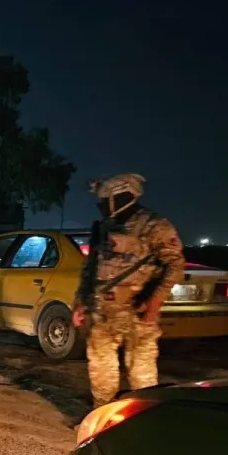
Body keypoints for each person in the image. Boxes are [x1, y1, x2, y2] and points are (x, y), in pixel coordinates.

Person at [73, 173, 185, 409]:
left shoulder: (155, 226)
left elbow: (175, 265)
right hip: (103, 312)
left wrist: (154, 303)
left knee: (142, 377)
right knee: (101, 374)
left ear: (120, 197)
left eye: (105, 200)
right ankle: (104, 420)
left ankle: (144, 420)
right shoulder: (105, 227)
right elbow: (90, 269)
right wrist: (80, 302)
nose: (101, 206)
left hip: (137, 313)